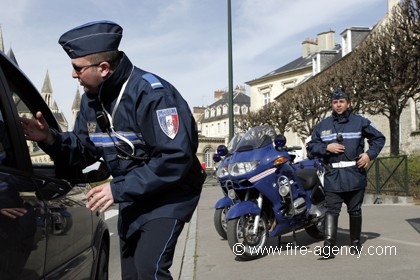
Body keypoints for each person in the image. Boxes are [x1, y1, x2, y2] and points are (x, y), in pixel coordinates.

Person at [21, 20, 205, 279]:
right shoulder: (90, 101)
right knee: (130, 275)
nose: (73, 75)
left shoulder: (153, 95)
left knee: (149, 270)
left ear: (104, 68)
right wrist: (49, 138)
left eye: (77, 68)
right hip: (132, 195)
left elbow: (175, 158)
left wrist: (117, 189)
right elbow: (83, 149)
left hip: (169, 195)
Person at [307, 88, 385, 258]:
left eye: (341, 102)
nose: (338, 105)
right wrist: (326, 147)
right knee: (331, 210)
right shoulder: (322, 126)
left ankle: (355, 242)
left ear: (347, 103)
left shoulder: (360, 121)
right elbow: (311, 148)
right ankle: (329, 246)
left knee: (354, 210)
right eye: (335, 102)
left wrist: (369, 155)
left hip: (354, 174)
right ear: (331, 104)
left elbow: (379, 138)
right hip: (333, 176)